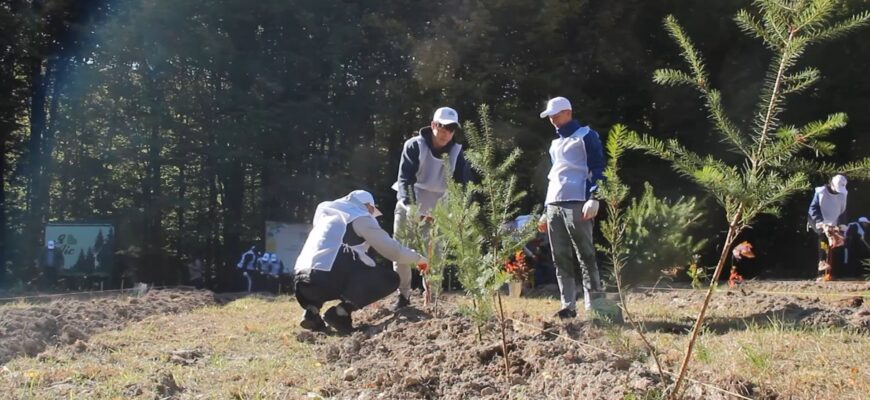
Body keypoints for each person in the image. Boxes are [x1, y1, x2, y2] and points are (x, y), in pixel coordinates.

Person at [294, 190, 428, 333]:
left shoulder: (327, 216)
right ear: (366, 206)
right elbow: (394, 252)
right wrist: (419, 259)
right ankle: (341, 313)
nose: (371, 213)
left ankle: (311, 312)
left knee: (327, 266)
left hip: (301, 284)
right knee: (389, 278)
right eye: (371, 208)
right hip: (328, 279)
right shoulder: (359, 217)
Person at [537, 96, 618, 321]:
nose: (553, 119)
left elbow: (598, 167)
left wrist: (595, 197)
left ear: (568, 112)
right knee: (559, 256)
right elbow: (554, 176)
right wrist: (545, 209)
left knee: (586, 255)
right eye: (550, 116)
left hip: (577, 201)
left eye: (556, 114)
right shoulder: (555, 144)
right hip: (554, 203)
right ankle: (568, 305)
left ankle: (595, 305)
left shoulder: (586, 136)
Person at [389, 106, 473, 311]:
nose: (446, 133)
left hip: (438, 209)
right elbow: (405, 178)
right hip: (410, 204)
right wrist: (410, 206)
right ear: (434, 125)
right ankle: (403, 295)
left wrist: (458, 210)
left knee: (435, 256)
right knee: (400, 251)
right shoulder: (414, 146)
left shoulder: (457, 153)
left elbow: (461, 184)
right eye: (443, 127)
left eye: (452, 129)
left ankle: (432, 297)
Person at [808, 174, 848, 279]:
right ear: (832, 184)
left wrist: (842, 225)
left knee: (836, 241)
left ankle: (830, 273)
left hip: (832, 219)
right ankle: (821, 264)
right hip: (817, 218)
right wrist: (821, 222)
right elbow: (813, 208)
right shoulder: (821, 192)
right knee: (823, 234)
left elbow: (843, 211)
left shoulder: (843, 194)